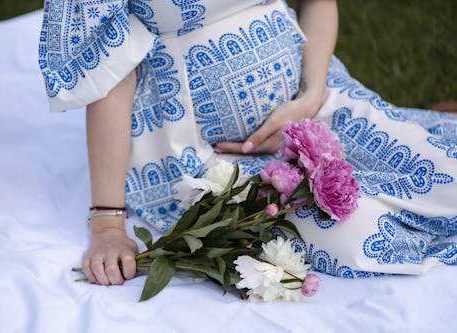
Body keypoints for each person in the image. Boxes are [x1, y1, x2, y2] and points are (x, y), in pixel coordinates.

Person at [38, 0, 456, 285]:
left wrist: (309, 97)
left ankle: (427, 127)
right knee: (366, 238)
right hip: (201, 155)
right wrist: (107, 222)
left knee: (449, 179)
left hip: (311, 100)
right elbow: (109, 73)